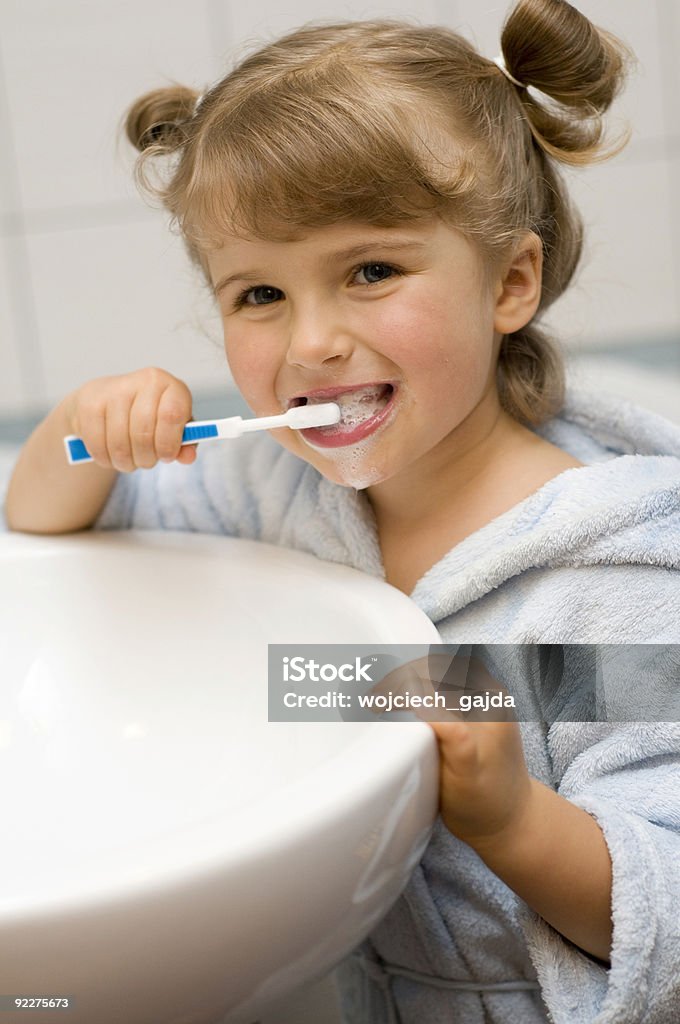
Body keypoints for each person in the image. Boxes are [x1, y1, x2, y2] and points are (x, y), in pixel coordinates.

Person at [4, 1, 680, 1020]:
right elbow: (50, 538)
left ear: (509, 280)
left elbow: (663, 914)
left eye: (370, 271)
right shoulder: (271, 492)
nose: (309, 341)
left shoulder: (603, 585)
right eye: (258, 294)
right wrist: (80, 433)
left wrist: (510, 819)